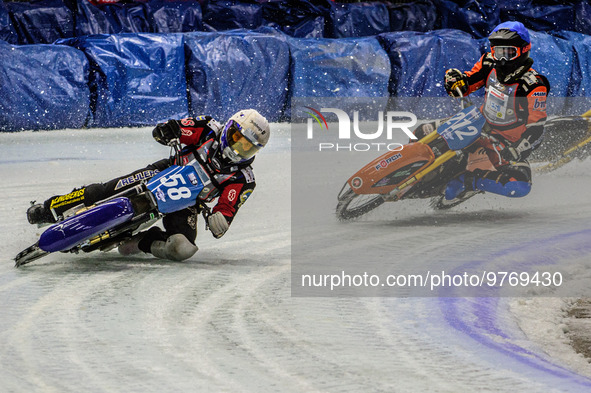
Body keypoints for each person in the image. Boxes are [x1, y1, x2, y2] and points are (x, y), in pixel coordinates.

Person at [26, 109, 270, 261]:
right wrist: (168, 130)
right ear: (230, 128)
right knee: (105, 190)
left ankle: (143, 241)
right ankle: (50, 207)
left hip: (188, 203)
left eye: (248, 147)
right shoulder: (208, 128)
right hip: (163, 171)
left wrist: (220, 220)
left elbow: (227, 208)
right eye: (238, 139)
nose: (239, 148)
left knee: (183, 249)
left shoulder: (243, 179)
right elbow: (178, 129)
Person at [438, 21, 550, 202]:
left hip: (506, 143)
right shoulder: (488, 62)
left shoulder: (533, 85)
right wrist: (455, 81)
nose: (503, 59)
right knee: (424, 131)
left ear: (523, 50)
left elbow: (536, 127)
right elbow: (466, 84)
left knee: (519, 186)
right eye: (499, 52)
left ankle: (469, 181)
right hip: (477, 124)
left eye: (509, 53)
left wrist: (517, 149)